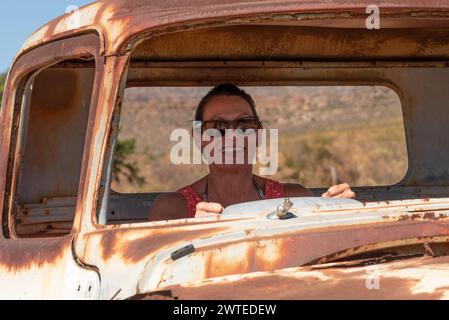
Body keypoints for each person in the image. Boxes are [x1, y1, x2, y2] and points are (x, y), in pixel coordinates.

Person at [148, 84, 355, 221]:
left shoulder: (295, 198)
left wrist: (332, 211)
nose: (232, 135)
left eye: (245, 124)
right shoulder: (173, 210)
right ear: (198, 137)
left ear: (259, 133)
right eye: (218, 126)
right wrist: (192, 233)